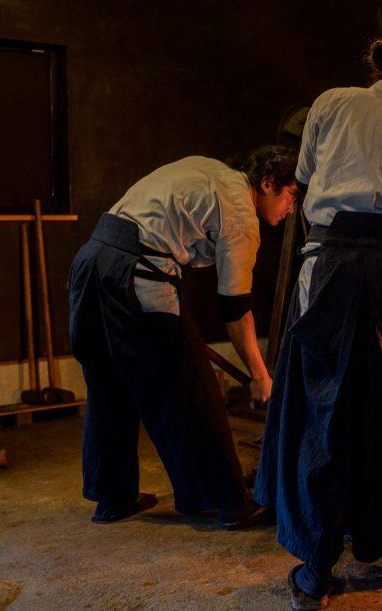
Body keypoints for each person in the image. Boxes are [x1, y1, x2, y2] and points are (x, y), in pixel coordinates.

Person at [253, 39, 382, 609]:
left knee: (326, 411)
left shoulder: (332, 103)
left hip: (330, 264)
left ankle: (316, 571)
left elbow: (310, 180)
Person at [67, 146, 299, 527]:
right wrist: (259, 375)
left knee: (110, 384)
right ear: (269, 183)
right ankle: (229, 503)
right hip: (135, 274)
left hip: (91, 263)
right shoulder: (241, 213)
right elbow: (235, 306)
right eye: (290, 195)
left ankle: (114, 498)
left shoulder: (207, 168)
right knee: (192, 391)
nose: (291, 208)